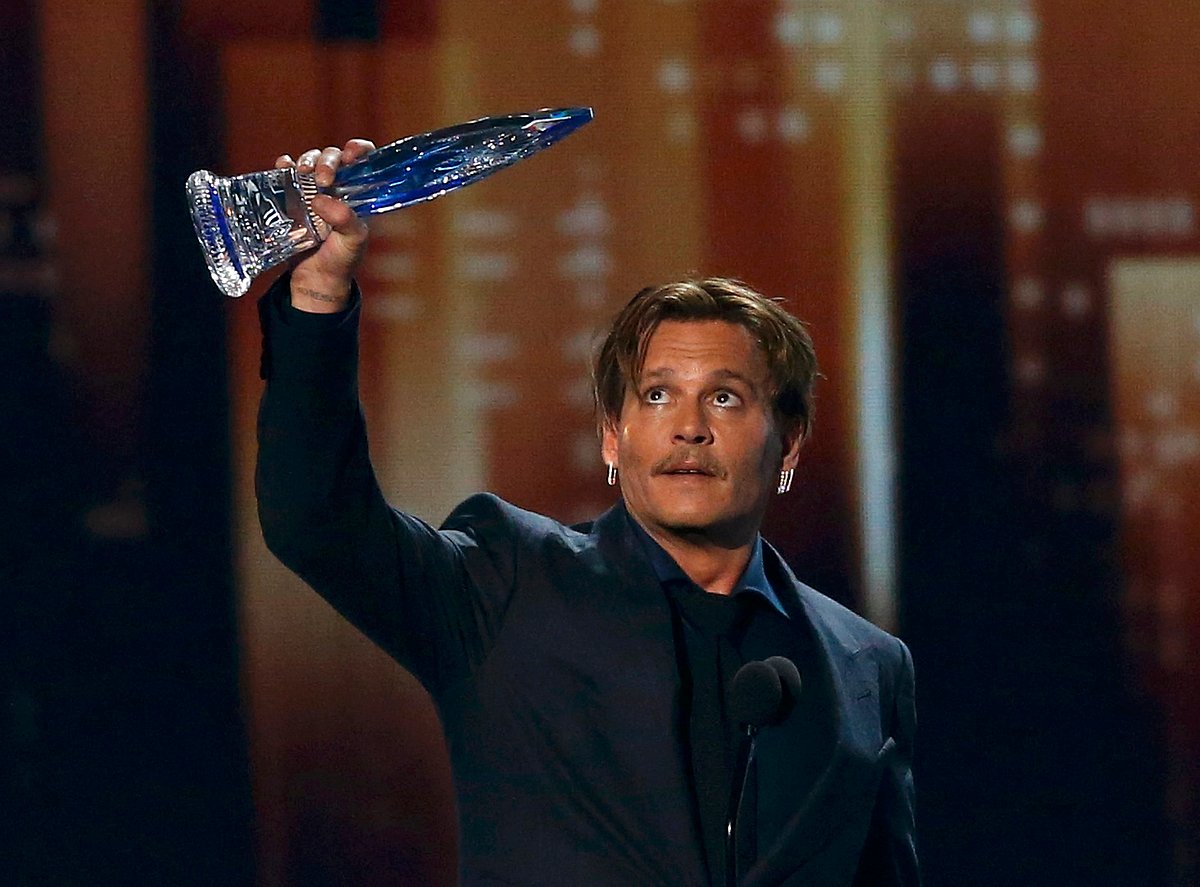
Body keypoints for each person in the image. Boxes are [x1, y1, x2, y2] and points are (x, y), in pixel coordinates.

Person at [256, 139, 920, 887]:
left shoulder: (868, 664)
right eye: (657, 394)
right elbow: (313, 517)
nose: (688, 427)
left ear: (790, 441)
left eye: (725, 397)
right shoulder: (505, 580)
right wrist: (317, 294)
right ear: (613, 433)